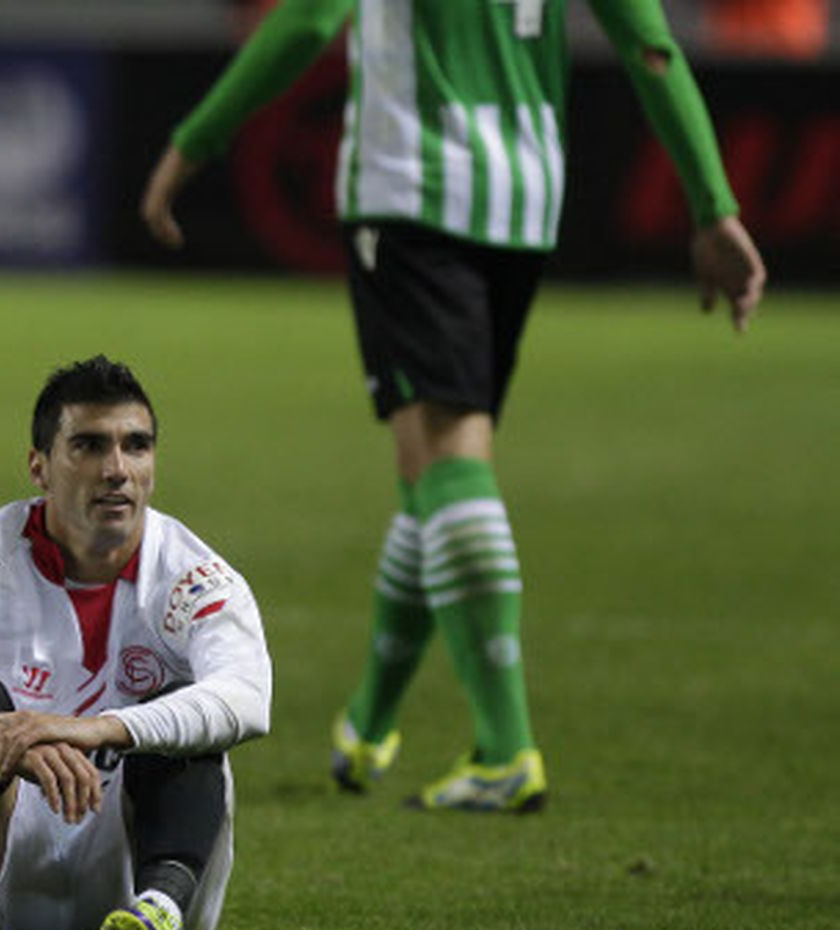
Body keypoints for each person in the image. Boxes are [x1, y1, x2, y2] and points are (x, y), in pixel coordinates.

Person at [142, 0, 765, 812]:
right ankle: (370, 718)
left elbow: (303, 22)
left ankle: (506, 748)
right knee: (430, 468)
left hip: (414, 189)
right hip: (523, 200)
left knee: (448, 456)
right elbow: (650, 46)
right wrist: (713, 203)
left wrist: (192, 144)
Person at [0, 356, 272, 930]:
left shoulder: (195, 575)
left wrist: (101, 728)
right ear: (39, 466)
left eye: (136, 446)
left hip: (141, 880)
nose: (117, 470)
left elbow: (247, 695)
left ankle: (159, 910)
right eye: (89, 446)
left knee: (187, 708)